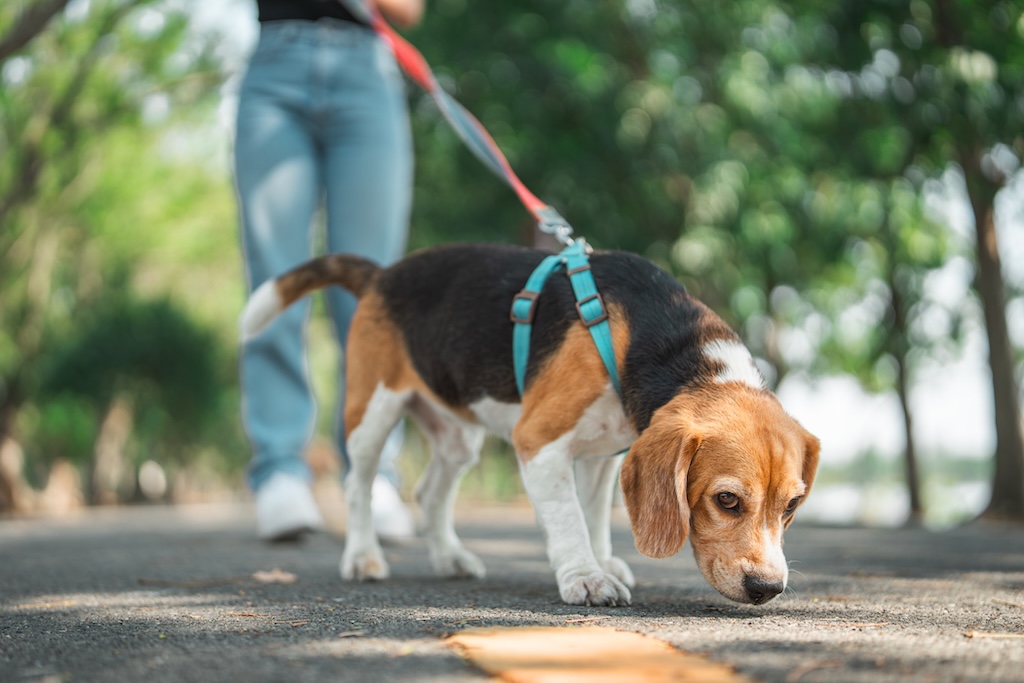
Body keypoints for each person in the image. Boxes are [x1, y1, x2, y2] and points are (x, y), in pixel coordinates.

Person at [234, 0, 423, 541]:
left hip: (367, 69)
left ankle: (373, 472)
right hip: (274, 67)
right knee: (277, 275)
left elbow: (410, 9)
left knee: (372, 287)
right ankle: (279, 471)